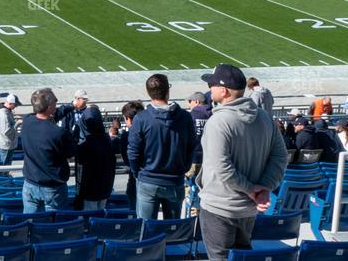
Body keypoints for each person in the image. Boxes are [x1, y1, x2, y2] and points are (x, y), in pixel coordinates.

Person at [197, 64, 289, 261]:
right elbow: (281, 157)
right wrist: (264, 188)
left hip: (219, 208)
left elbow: (222, 169)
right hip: (248, 210)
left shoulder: (218, 122)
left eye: (212, 85)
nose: (209, 88)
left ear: (223, 91)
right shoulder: (264, 117)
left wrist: (252, 189)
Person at [129, 73, 197, 220]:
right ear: (168, 91)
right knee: (171, 231)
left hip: (148, 180)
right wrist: (182, 168)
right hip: (173, 180)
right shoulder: (184, 117)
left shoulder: (142, 119)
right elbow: (192, 146)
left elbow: (133, 153)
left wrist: (138, 173)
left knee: (145, 230)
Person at [21, 88, 76, 212]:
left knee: (30, 223)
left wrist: (71, 106)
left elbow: (43, 120)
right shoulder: (59, 133)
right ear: (50, 106)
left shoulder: (27, 121)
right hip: (53, 188)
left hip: (30, 183)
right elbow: (71, 152)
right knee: (51, 228)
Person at [75, 106, 116, 210]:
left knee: (89, 219)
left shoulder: (84, 145)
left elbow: (80, 173)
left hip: (89, 192)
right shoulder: (107, 140)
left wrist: (79, 195)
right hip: (105, 190)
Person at [0, 93, 21, 166]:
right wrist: (18, 123)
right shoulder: (4, 114)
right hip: (6, 144)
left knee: (1, 165)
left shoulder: (4, 111)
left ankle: (1, 176)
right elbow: (7, 131)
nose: (16, 107)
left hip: (4, 144)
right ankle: (3, 176)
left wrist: (14, 120)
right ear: (10, 103)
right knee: (4, 166)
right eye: (15, 105)